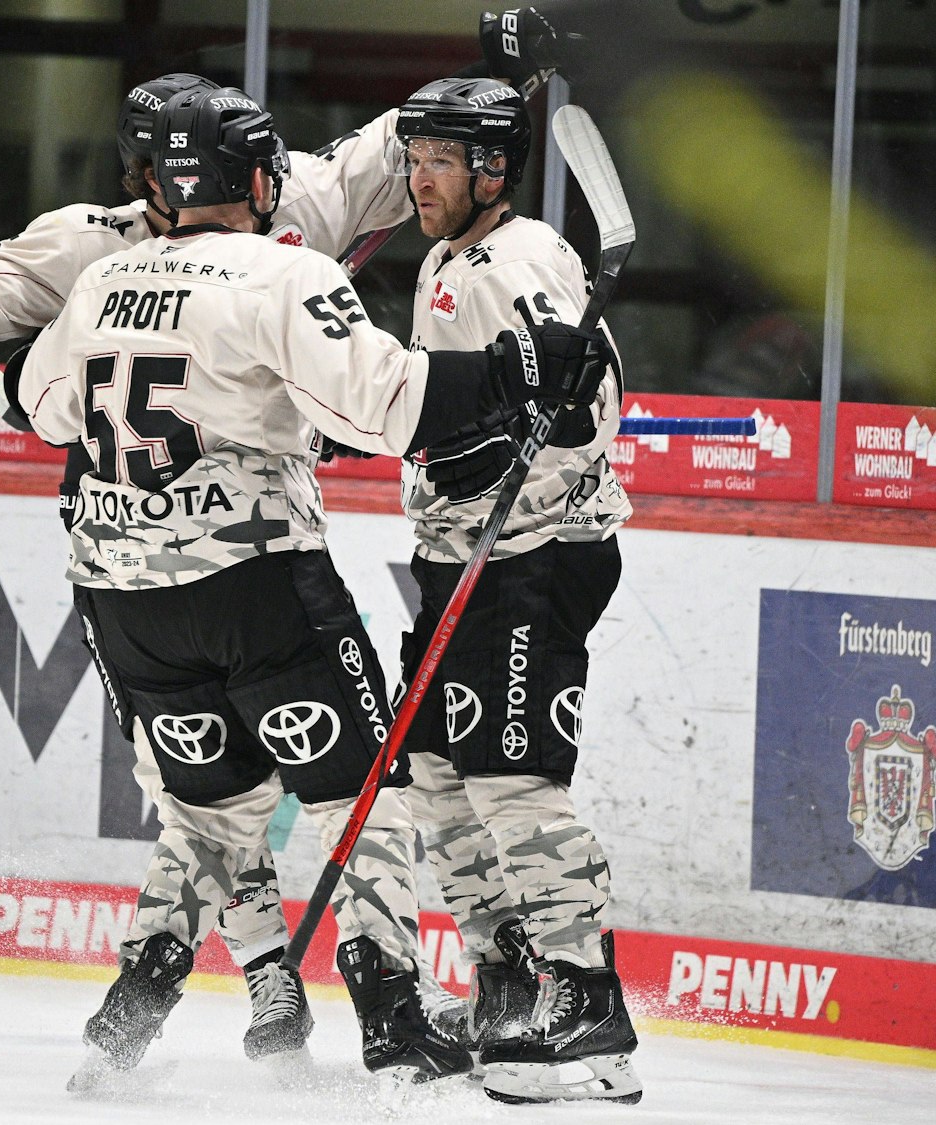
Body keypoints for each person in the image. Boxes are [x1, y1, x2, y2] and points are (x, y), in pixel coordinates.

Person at [0, 84, 609, 1088]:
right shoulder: (270, 262)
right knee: (362, 792)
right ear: (240, 174)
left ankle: (130, 1017)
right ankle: (390, 1015)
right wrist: (514, 373)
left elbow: (25, 397)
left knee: (203, 809)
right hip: (256, 577)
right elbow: (394, 405)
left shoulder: (106, 275)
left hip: (123, 590)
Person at [374, 76, 639, 1106]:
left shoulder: (522, 257)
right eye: (414, 157)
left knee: (510, 781)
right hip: (459, 563)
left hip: (532, 557)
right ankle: (506, 983)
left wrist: (516, 443)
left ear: (491, 167)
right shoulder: (447, 255)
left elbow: (589, 406)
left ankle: (587, 1003)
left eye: (440, 158)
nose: (418, 176)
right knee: (436, 775)